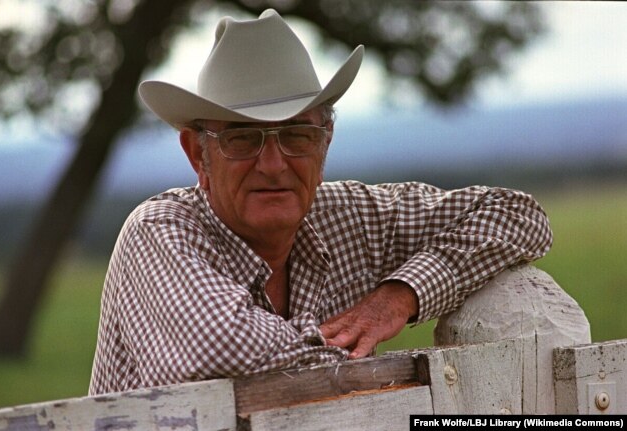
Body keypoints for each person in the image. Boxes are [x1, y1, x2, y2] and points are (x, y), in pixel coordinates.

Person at [89, 9, 552, 395]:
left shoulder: (352, 216)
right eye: (243, 138)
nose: (273, 163)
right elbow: (225, 350)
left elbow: (519, 215)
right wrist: (358, 351)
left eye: (297, 134)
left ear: (325, 141)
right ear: (198, 154)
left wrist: (400, 295)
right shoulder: (159, 232)